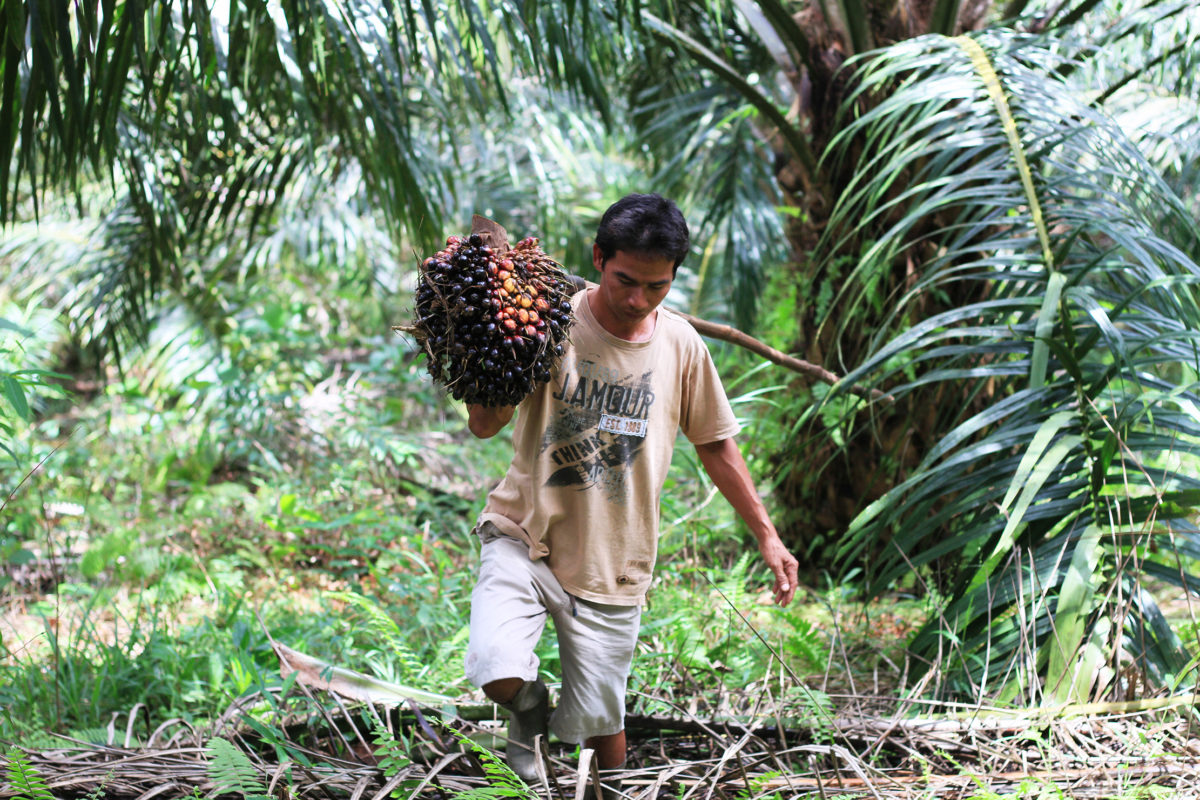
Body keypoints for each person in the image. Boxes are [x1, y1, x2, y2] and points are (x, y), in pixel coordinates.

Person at [463, 193, 799, 783]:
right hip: (523, 533)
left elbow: (717, 446)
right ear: (598, 257)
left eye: (656, 286)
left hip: (611, 560)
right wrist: (480, 345)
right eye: (625, 280)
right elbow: (484, 424)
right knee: (496, 667)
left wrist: (768, 537)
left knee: (601, 720)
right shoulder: (550, 323)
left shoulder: (680, 346)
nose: (637, 299)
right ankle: (528, 710)